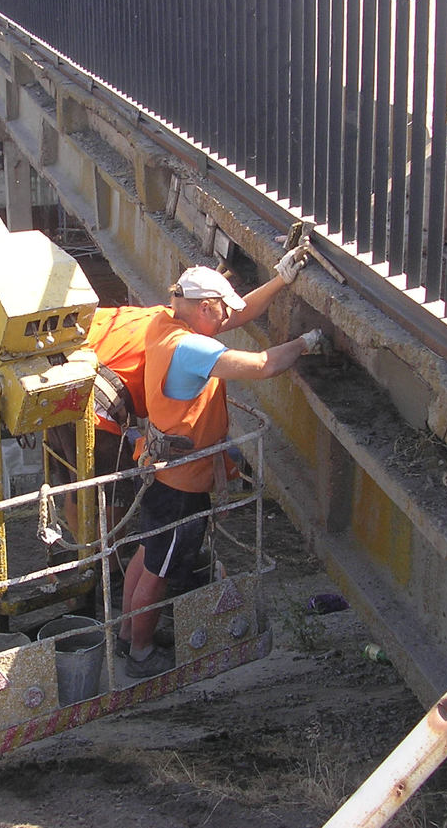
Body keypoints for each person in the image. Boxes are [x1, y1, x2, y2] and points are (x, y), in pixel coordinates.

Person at [121, 245, 323, 677]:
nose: (225, 320)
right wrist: (305, 343)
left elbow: (234, 315)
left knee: (146, 553)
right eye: (220, 311)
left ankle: (125, 635)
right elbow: (264, 366)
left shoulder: (165, 320)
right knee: (160, 568)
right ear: (204, 307)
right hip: (182, 483)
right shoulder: (191, 350)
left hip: (159, 470)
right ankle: (139, 654)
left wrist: (280, 280)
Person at [49, 304, 163, 531]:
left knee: (76, 488)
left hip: (55, 391)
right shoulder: (174, 339)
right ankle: (108, 562)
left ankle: (87, 556)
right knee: (111, 496)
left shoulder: (127, 314)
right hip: (98, 416)